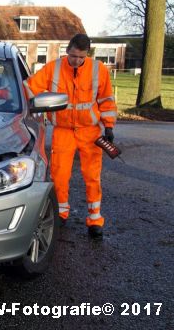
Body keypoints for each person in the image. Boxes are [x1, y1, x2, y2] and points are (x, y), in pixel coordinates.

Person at [23, 34, 117, 239]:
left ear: (87, 54)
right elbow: (29, 87)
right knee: (59, 175)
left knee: (92, 176)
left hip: (90, 131)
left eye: (81, 57)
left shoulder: (98, 70)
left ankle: (95, 219)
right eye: (73, 56)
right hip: (63, 131)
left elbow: (106, 98)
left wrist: (109, 126)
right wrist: (18, 101)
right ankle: (61, 214)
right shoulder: (53, 68)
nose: (76, 61)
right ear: (68, 50)